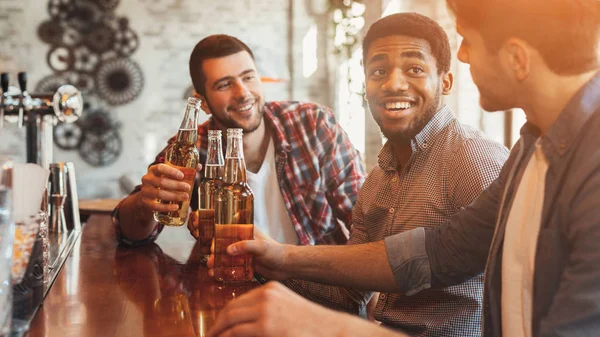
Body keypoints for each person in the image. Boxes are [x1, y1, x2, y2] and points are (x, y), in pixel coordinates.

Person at [208, 0, 600, 336]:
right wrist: (278, 257)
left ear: (516, 58)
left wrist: (326, 327)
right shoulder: (529, 152)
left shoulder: (583, 168)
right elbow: (437, 252)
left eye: (468, 41)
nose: (462, 56)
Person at [111, 34, 366, 248]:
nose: (243, 93)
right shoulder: (192, 148)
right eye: (224, 84)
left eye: (248, 77)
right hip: (232, 291)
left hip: (319, 291)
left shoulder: (312, 124)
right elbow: (130, 234)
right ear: (204, 103)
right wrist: (146, 202)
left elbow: (365, 219)